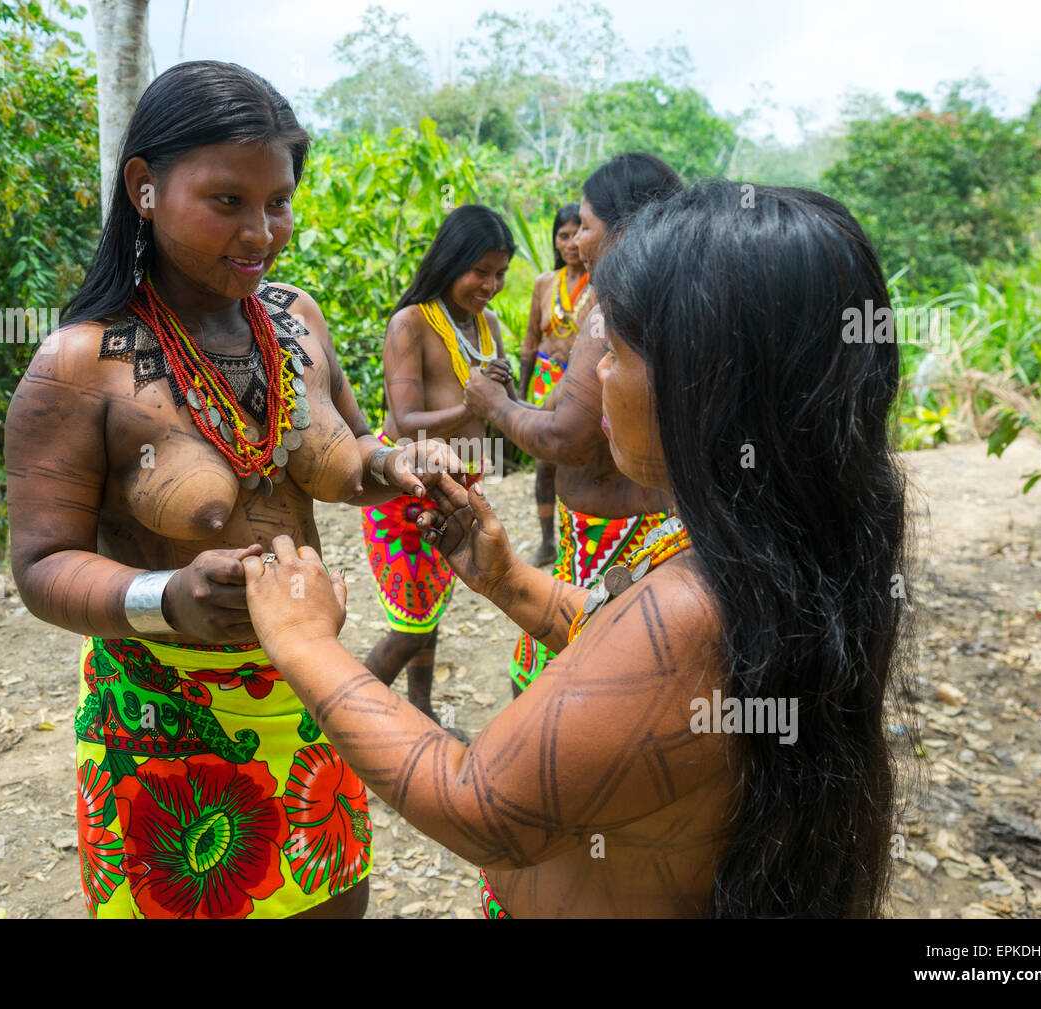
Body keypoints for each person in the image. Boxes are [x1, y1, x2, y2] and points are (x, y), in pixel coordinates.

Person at [240, 180, 910, 918]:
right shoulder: (782, 552)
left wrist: (304, 642)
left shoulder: (693, 608)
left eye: (615, 350)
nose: (591, 375)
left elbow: (476, 804)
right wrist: (513, 584)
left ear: (704, 384)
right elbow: (638, 666)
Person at [4, 61, 448, 919]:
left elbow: (348, 449)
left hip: (313, 695)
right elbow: (41, 565)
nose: (262, 231)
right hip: (164, 729)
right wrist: (165, 596)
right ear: (144, 187)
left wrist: (393, 468)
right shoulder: (79, 364)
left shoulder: (300, 320)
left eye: (277, 201)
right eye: (227, 201)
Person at [465, 154, 683, 696]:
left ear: (625, 227)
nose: (578, 242)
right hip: (638, 525)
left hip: (610, 534)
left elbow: (568, 436)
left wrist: (492, 402)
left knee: (557, 682)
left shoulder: (615, 305)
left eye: (586, 225)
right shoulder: (676, 294)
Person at [360, 205, 516, 730]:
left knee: (429, 613)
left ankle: (421, 711)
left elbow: (491, 405)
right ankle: (341, 726)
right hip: (405, 491)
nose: (491, 285)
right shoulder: (411, 323)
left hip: (456, 490)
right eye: (481, 271)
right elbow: (407, 423)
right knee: (409, 625)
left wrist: (503, 398)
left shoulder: (488, 325)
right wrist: (478, 404)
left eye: (500, 274)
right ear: (451, 262)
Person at [517, 203, 591, 567]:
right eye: (564, 235)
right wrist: (519, 395)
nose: (572, 242)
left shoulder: (600, 283)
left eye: (579, 232)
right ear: (556, 241)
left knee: (580, 458)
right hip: (546, 381)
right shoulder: (545, 283)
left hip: (581, 381)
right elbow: (530, 341)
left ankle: (580, 539)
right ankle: (548, 542)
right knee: (545, 463)